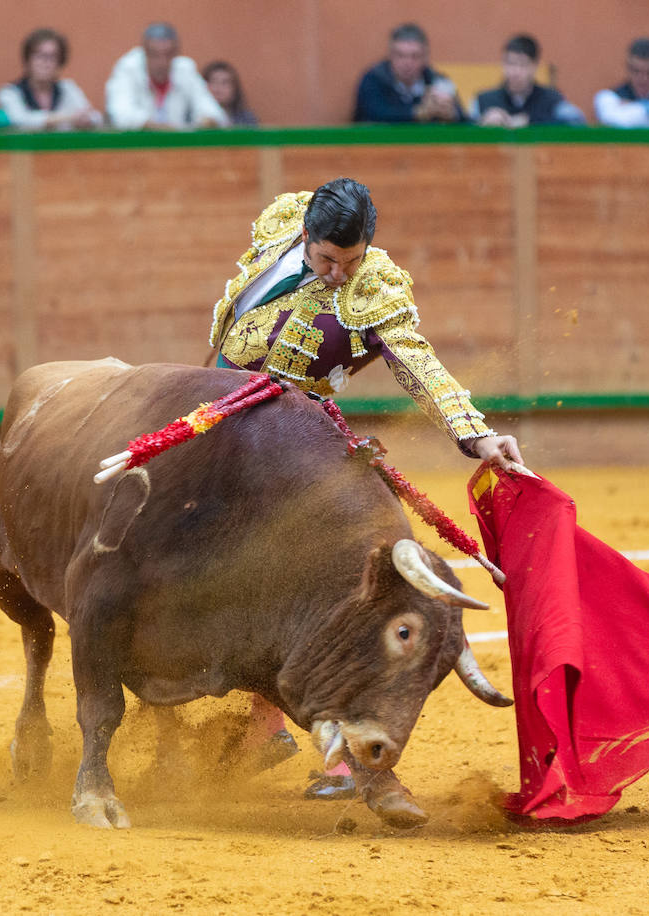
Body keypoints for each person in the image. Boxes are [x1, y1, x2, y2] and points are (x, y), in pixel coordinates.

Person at [208, 178, 528, 800]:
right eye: (328, 260)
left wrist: (477, 435)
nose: (337, 274)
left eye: (350, 262)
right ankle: (263, 726)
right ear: (305, 236)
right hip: (216, 429)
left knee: (291, 586)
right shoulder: (279, 222)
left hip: (291, 451)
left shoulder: (377, 292)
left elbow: (420, 367)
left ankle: (336, 754)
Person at [105, 22, 228, 130]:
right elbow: (121, 115)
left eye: (168, 54)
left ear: (176, 53)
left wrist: (207, 120)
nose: (162, 62)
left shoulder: (185, 69)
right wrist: (161, 128)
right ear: (144, 53)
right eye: (155, 55)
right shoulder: (127, 69)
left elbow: (212, 112)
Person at [353, 22, 464, 123]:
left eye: (414, 56)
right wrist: (418, 113)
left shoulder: (438, 80)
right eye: (400, 55)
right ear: (390, 56)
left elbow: (464, 118)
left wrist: (452, 114)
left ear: (425, 58)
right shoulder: (374, 79)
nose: (407, 63)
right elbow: (377, 114)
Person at [0, 27, 103, 130]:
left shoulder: (68, 88)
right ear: (28, 59)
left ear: (60, 62)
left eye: (52, 57)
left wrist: (87, 120)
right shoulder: (10, 92)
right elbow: (19, 120)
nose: (45, 63)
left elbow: (96, 117)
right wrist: (67, 118)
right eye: (39, 55)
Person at [472, 34, 586, 127]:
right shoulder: (484, 100)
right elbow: (466, 127)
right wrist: (483, 123)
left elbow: (577, 121)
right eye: (510, 63)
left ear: (534, 66)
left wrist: (531, 121)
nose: (515, 72)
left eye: (522, 65)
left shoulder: (552, 99)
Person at [202, 60, 258, 126]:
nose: (218, 87)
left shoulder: (246, 119)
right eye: (213, 81)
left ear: (234, 88)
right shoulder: (194, 118)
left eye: (225, 82)